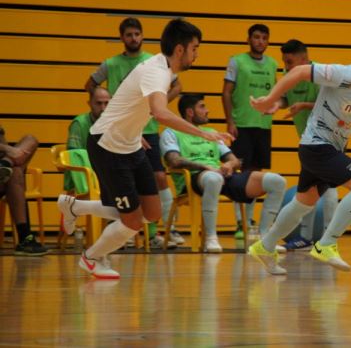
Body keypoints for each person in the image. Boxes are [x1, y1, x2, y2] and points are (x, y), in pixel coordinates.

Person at [57, 18, 231, 279]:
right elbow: (160, 113)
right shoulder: (157, 71)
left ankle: (75, 208)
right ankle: (91, 258)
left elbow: (137, 105)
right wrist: (205, 135)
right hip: (107, 146)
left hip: (130, 145)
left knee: (151, 213)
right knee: (133, 221)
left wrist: (134, 133)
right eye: (195, 48)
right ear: (181, 49)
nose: (197, 54)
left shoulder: (163, 70)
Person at [248, 33, 351, 275]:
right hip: (316, 145)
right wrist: (270, 99)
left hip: (329, 148)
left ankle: (265, 246)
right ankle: (326, 244)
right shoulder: (343, 74)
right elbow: (299, 71)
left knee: (303, 203)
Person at [85, 17, 182, 247]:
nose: (134, 38)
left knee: (159, 178)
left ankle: (164, 230)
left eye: (137, 34)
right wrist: (107, 107)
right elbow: (90, 84)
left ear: (143, 35)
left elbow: (177, 87)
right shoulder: (111, 64)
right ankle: (124, 232)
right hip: (119, 134)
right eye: (129, 35)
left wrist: (155, 106)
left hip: (145, 130)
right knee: (126, 198)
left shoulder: (155, 62)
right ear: (122, 38)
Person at [160, 94, 287, 253]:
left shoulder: (211, 132)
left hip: (220, 176)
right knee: (213, 178)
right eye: (202, 106)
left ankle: (266, 239)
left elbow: (235, 161)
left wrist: (229, 164)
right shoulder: (171, 133)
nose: (207, 110)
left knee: (276, 181)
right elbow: (173, 161)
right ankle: (211, 239)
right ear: (190, 112)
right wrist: (205, 167)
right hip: (193, 179)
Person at [272, 39, 338, 251]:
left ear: (304, 59)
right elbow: (284, 98)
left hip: (328, 137)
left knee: (327, 188)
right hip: (308, 139)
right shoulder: (288, 75)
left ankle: (328, 240)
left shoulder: (321, 75)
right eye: (284, 62)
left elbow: (329, 105)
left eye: (290, 62)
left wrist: (302, 106)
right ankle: (307, 238)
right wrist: (275, 104)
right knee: (309, 187)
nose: (287, 66)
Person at [221, 24, 278, 239]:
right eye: (256, 37)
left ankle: (250, 221)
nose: (260, 41)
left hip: (263, 126)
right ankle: (239, 222)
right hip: (242, 124)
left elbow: (274, 93)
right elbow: (226, 93)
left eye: (264, 37)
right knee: (240, 173)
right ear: (249, 39)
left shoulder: (273, 64)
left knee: (255, 175)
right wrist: (230, 121)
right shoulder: (237, 61)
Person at [0, 127, 48, 255]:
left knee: (30, 140)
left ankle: (5, 164)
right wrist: (8, 149)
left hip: (5, 176)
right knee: (16, 173)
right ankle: (24, 236)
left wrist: (8, 156)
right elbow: (5, 148)